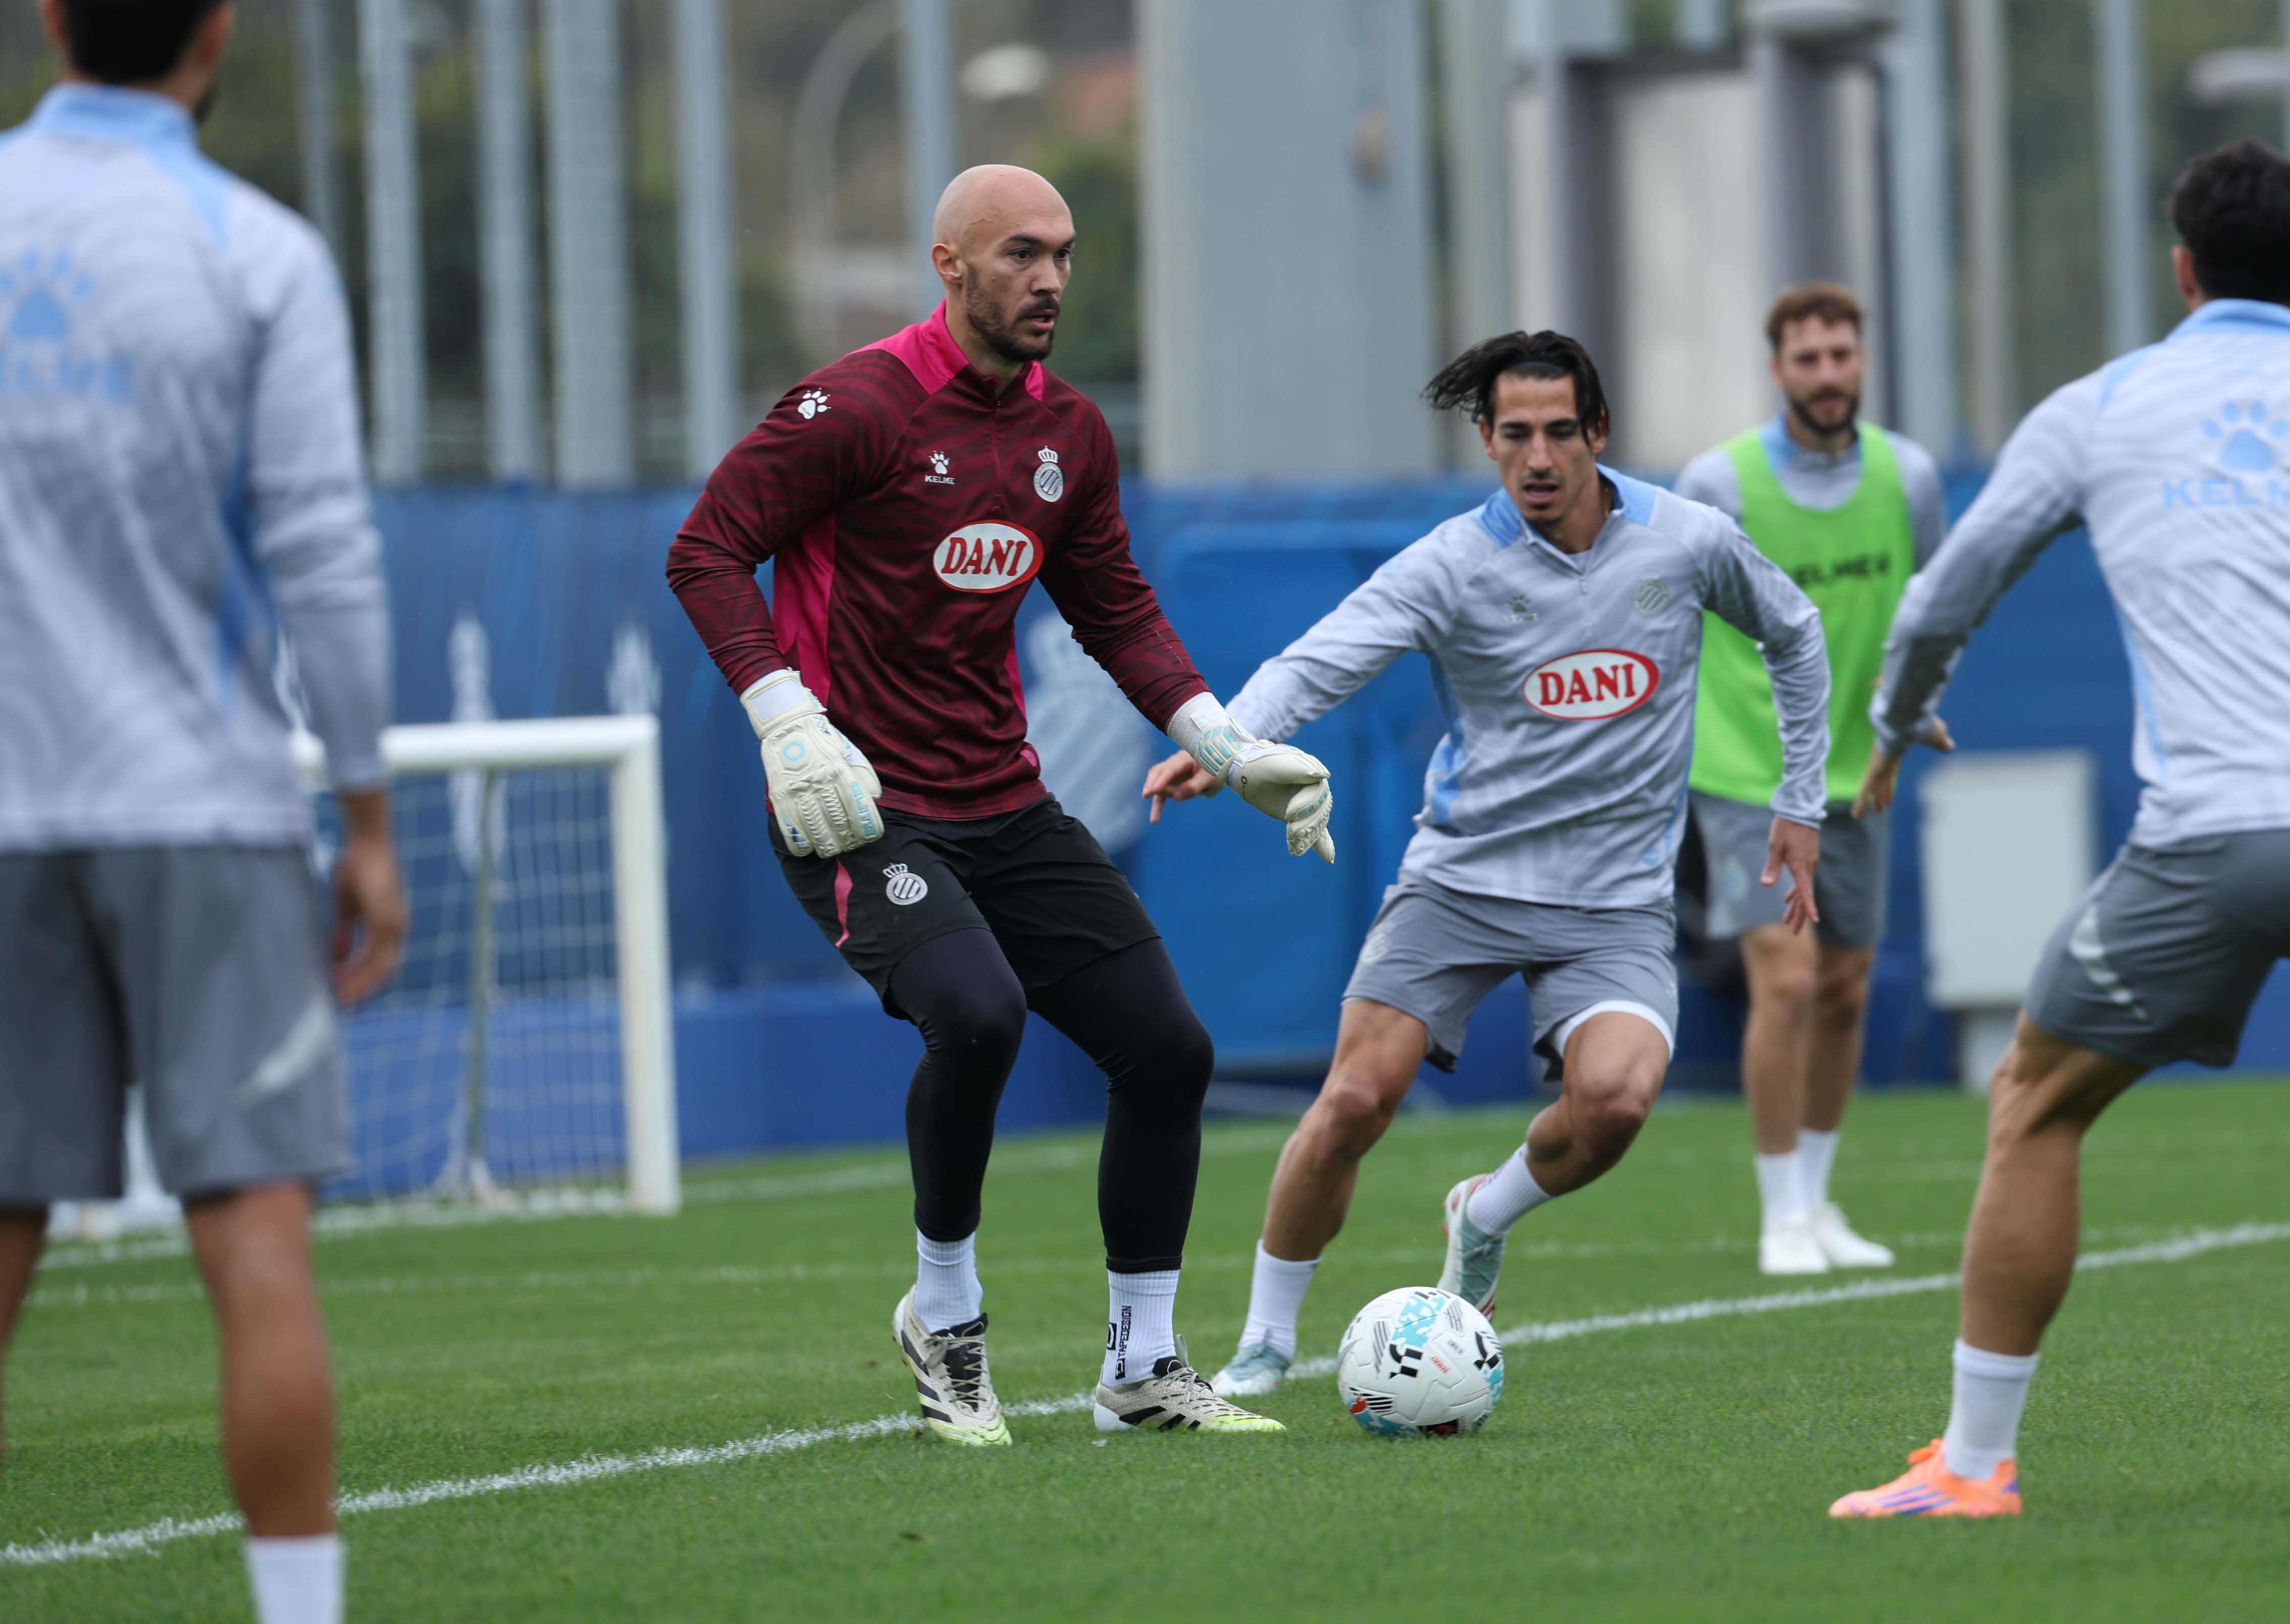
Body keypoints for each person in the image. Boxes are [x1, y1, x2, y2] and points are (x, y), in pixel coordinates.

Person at [667, 165, 1331, 1442]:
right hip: (856, 802)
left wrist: (1225, 740)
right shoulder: (852, 406)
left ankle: (1140, 1368)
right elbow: (704, 549)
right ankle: (945, 1318)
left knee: (1169, 1049)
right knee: (976, 1013)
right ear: (949, 264)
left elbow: (1115, 608)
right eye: (1022, 254)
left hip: (1003, 800)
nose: (1050, 280)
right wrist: (784, 716)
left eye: (1065, 255)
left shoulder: (1068, 432)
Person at [1831, 141, 2290, 1517]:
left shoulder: (2102, 407)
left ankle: (1974, 1468)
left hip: (2212, 846)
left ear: (2178, 268)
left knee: (2037, 1102)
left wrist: (1896, 715)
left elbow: (1942, 596)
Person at [1140, 332, 1833, 1400]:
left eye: (1561, 431)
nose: (1540, 456)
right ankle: (1266, 1343)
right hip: (1460, 881)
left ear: (1598, 433)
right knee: (1356, 1098)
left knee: (1615, 1103)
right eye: (1516, 434)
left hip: (1613, 904)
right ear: (1487, 440)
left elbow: (1795, 632)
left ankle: (1485, 1212)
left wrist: (1798, 802)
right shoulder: (1451, 563)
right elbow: (1319, 657)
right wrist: (1223, 743)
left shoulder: (1685, 541)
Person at [0, 3, 406, 1619]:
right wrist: (366, 817)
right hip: (207, 813)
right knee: (252, 1237)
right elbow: (321, 551)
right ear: (217, 31)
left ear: (48, 20)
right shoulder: (257, 250)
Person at [1675, 285, 1947, 1275]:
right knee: (1783, 977)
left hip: (1859, 764)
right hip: (1747, 764)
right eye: (1808, 358)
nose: (1827, 374)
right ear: (1777, 368)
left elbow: (1931, 610)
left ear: (1861, 362)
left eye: (1842, 355)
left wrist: (1911, 707)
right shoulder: (1721, 482)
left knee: (1845, 985)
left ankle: (1822, 1201)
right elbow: (1668, 608)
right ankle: (1779, 1210)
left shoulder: (1907, 476)